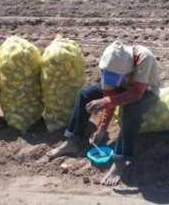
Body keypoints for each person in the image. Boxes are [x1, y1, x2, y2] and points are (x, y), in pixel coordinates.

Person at [46, 41, 161, 186]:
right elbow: (110, 94)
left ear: (127, 72)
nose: (109, 77)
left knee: (131, 109)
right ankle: (72, 141)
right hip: (125, 88)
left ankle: (120, 160)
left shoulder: (144, 57)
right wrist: (101, 128)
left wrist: (106, 101)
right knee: (85, 94)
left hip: (146, 92)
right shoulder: (109, 67)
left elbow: (136, 94)